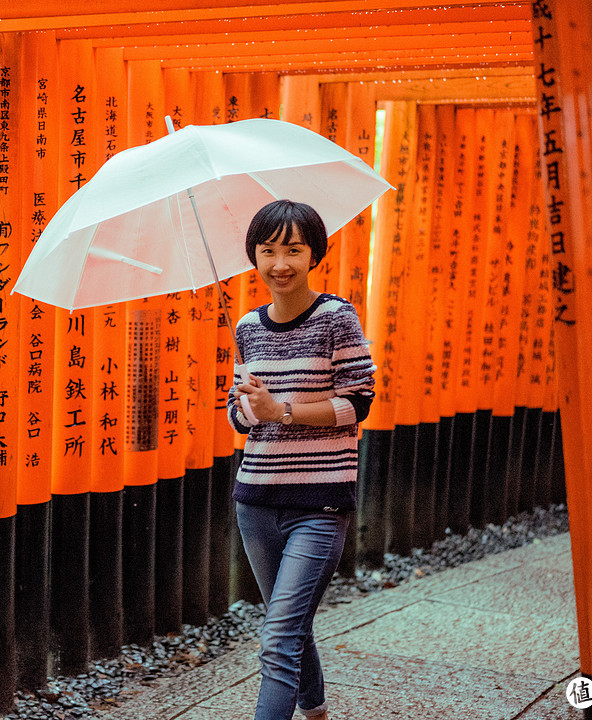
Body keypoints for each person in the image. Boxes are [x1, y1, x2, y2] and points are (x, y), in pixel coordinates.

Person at [227, 199, 375, 720]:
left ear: (314, 253)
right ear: (255, 257)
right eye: (268, 251)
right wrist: (247, 407)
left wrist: (282, 409)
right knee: (287, 623)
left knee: (278, 634)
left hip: (320, 503)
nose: (280, 264)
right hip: (257, 500)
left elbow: (358, 402)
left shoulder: (336, 318)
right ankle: (315, 709)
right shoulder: (246, 325)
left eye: (293, 249)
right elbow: (238, 416)